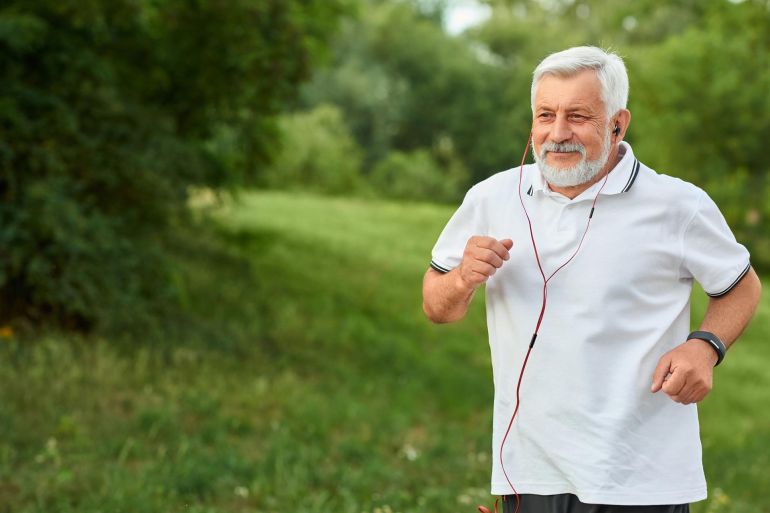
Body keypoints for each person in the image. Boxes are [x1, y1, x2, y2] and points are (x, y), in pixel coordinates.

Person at [422, 46, 762, 513]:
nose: (557, 133)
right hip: (529, 474)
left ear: (618, 123)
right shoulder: (490, 198)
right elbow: (436, 306)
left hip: (642, 477)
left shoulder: (678, 205)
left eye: (578, 116)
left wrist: (705, 346)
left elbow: (741, 286)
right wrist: (461, 279)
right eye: (546, 115)